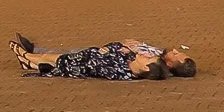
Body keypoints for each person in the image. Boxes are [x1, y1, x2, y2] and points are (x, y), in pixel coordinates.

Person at [12, 35, 194, 80]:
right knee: (71, 53)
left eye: (176, 54)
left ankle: (31, 55)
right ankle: (33, 56)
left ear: (169, 63)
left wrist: (123, 49)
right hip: (104, 55)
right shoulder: (157, 56)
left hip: (98, 57)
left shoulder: (153, 61)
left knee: (72, 54)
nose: (175, 50)